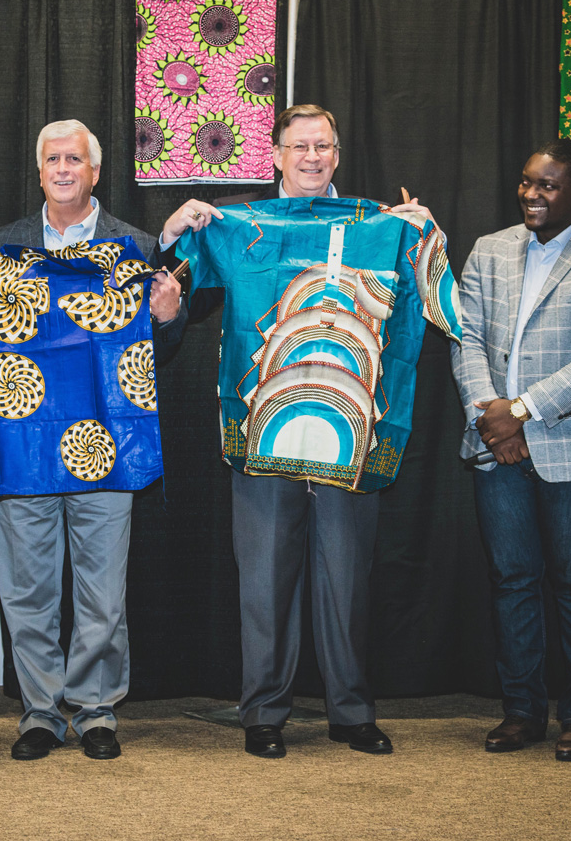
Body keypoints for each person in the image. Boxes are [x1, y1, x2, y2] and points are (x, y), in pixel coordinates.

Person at [159, 104, 440, 759]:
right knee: (263, 575)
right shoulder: (239, 223)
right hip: (264, 427)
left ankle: (350, 710)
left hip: (353, 426)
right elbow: (175, 291)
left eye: (323, 145)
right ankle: (262, 713)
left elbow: (436, 299)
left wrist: (424, 237)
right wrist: (172, 234)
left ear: (336, 155)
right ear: (276, 155)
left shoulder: (381, 228)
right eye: (300, 145)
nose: (312, 156)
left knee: (347, 577)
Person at [0, 120, 183, 760]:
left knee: (101, 585)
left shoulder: (136, 244)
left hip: (107, 444)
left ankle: (95, 710)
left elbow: (153, 353)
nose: (63, 168)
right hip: (22, 443)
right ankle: (40, 710)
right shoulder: (0, 245)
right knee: (27, 584)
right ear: (39, 171)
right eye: (52, 159)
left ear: (96, 172)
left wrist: (168, 318)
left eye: (75, 159)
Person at [450, 139, 571, 761]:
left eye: (550, 185)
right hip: (495, 441)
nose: (533, 195)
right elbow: (466, 337)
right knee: (511, 579)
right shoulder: (489, 249)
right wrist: (491, 415)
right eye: (528, 182)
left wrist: (523, 413)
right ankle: (522, 712)